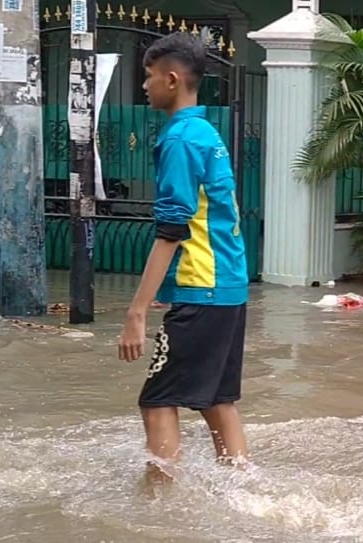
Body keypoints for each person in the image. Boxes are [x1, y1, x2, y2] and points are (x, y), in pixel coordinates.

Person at [118, 32, 250, 484]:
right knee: (217, 400)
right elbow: (206, 220)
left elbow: (173, 229)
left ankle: (161, 504)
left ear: (172, 79)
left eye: (149, 77)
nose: (145, 86)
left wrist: (136, 311)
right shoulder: (206, 132)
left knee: (156, 400)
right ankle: (243, 491)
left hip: (203, 288)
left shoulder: (179, 139)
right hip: (228, 286)